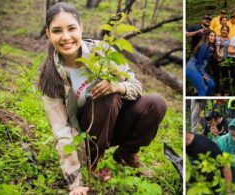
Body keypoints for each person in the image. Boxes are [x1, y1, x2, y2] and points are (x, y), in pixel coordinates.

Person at [38, 3, 167, 194]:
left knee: (155, 103)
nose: (66, 37)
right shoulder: (50, 74)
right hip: (86, 134)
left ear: (81, 29)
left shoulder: (103, 51)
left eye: (71, 28)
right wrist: (75, 183)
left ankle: (126, 153)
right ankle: (92, 162)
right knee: (105, 98)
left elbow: (136, 86)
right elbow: (61, 131)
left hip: (116, 122)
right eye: (57, 31)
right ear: (48, 34)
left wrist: (118, 86)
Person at [186, 30, 216, 96]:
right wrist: (203, 75)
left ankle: (204, 97)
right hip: (192, 68)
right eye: (211, 35)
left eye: (214, 36)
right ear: (207, 36)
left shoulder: (209, 47)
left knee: (211, 85)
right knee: (202, 90)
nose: (213, 37)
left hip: (199, 68)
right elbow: (199, 63)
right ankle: (201, 99)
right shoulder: (203, 46)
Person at [213, 25, 230, 95]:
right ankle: (217, 92)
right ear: (221, 30)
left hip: (225, 59)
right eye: (224, 29)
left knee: (225, 75)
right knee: (216, 75)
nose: (225, 31)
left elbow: (229, 50)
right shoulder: (216, 38)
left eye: (226, 30)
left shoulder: (228, 40)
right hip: (216, 59)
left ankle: (226, 91)